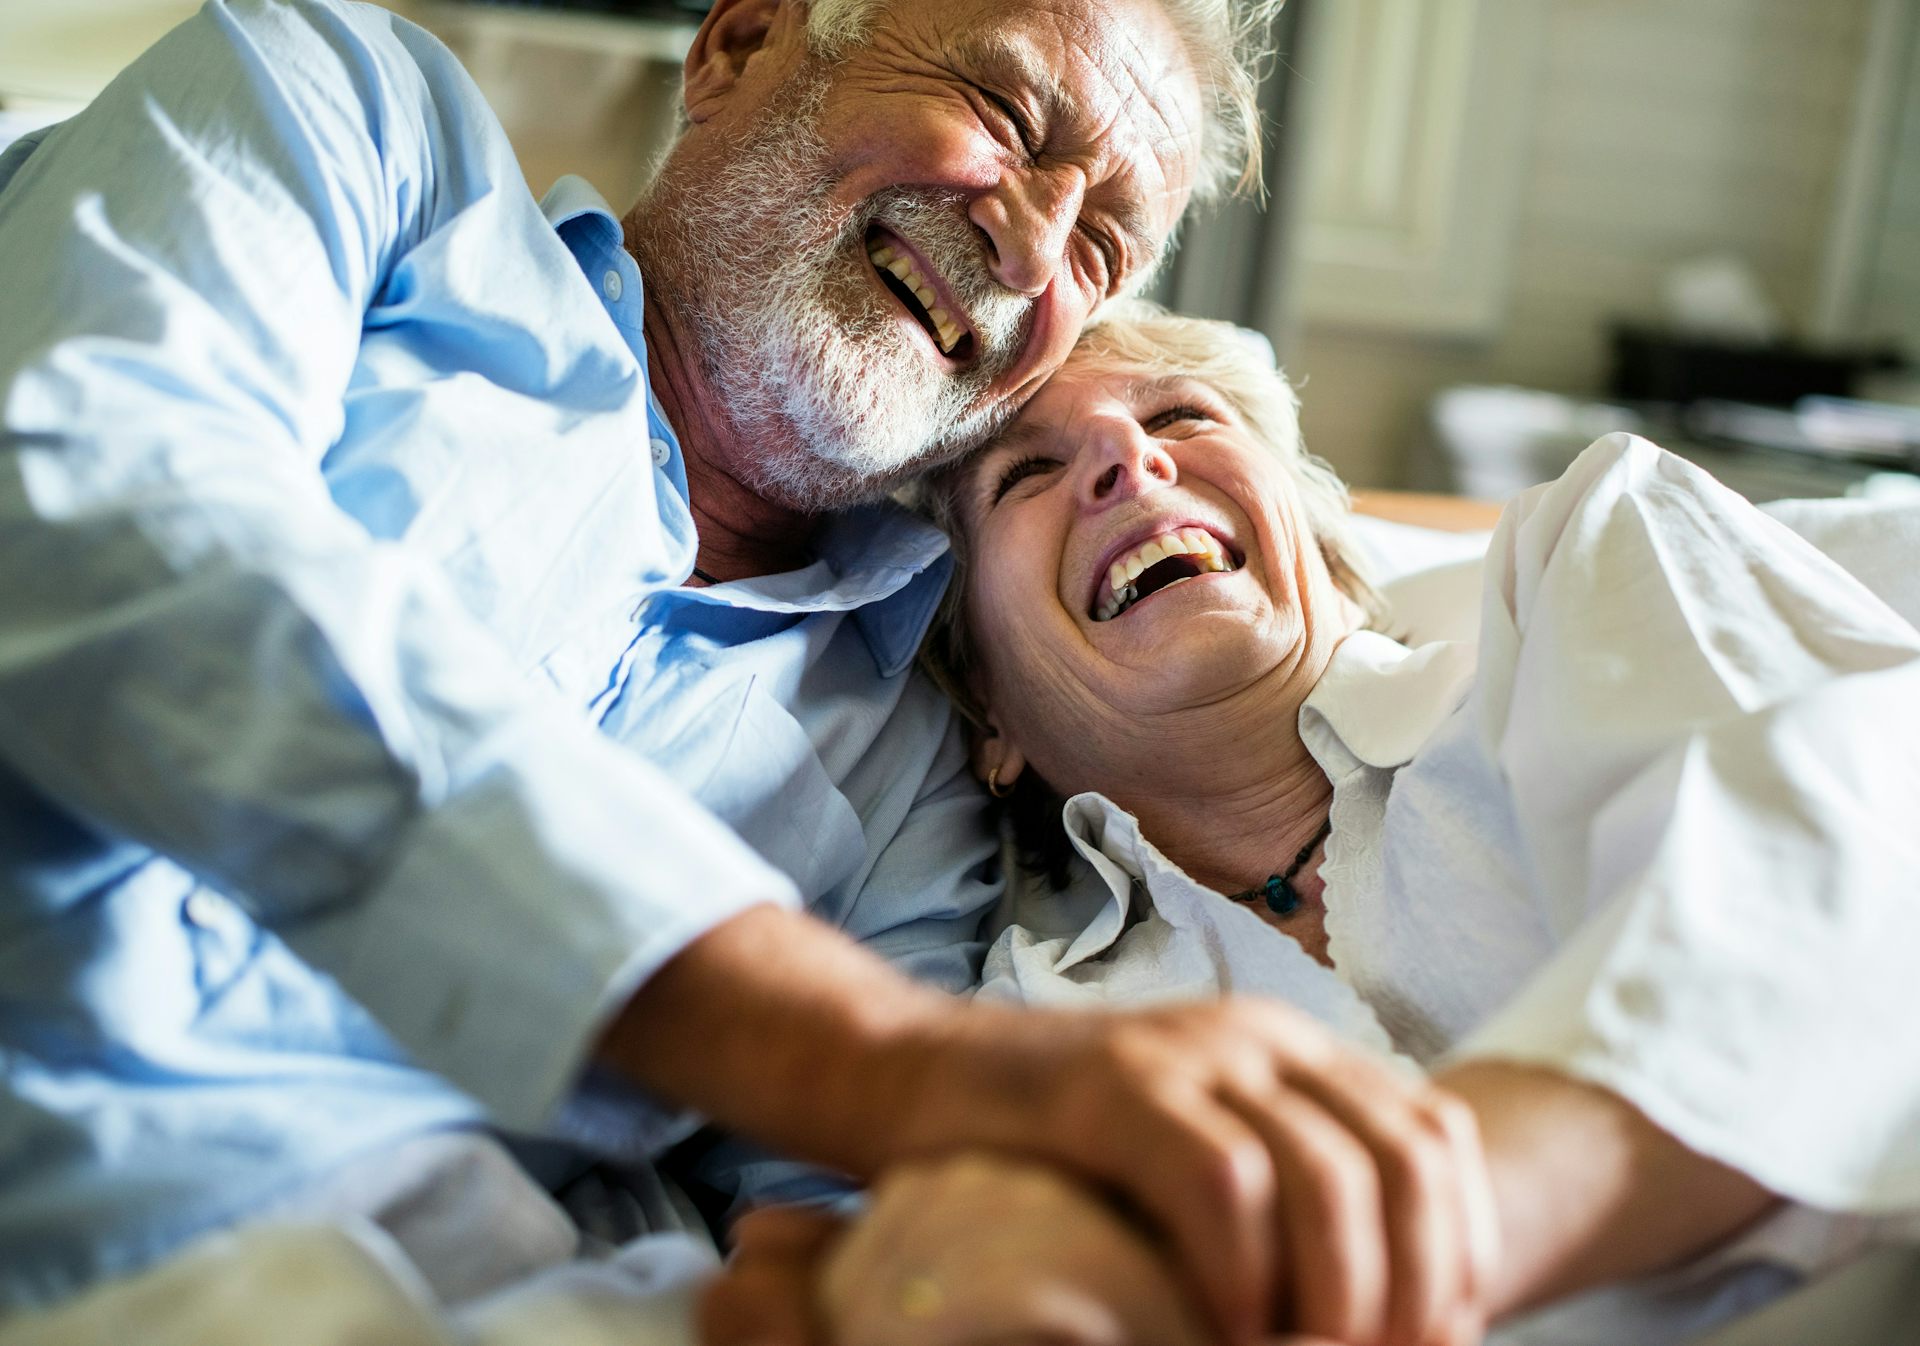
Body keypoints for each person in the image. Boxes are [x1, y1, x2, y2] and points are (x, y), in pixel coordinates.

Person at [0, 1, 1500, 1342]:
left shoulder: (913, 748)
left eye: (1100, 247)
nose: (1036, 247)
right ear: (740, 44)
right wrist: (866, 1057)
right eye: (1008, 116)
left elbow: (836, 1221)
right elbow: (96, 509)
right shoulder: (353, 118)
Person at [722, 299, 1920, 1346]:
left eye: (1183, 417)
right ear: (988, 708)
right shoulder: (1040, 1035)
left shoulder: (1586, 560)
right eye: (1023, 474)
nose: (1127, 463)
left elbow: (1854, 860)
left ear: (1329, 555)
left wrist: (1396, 1239)